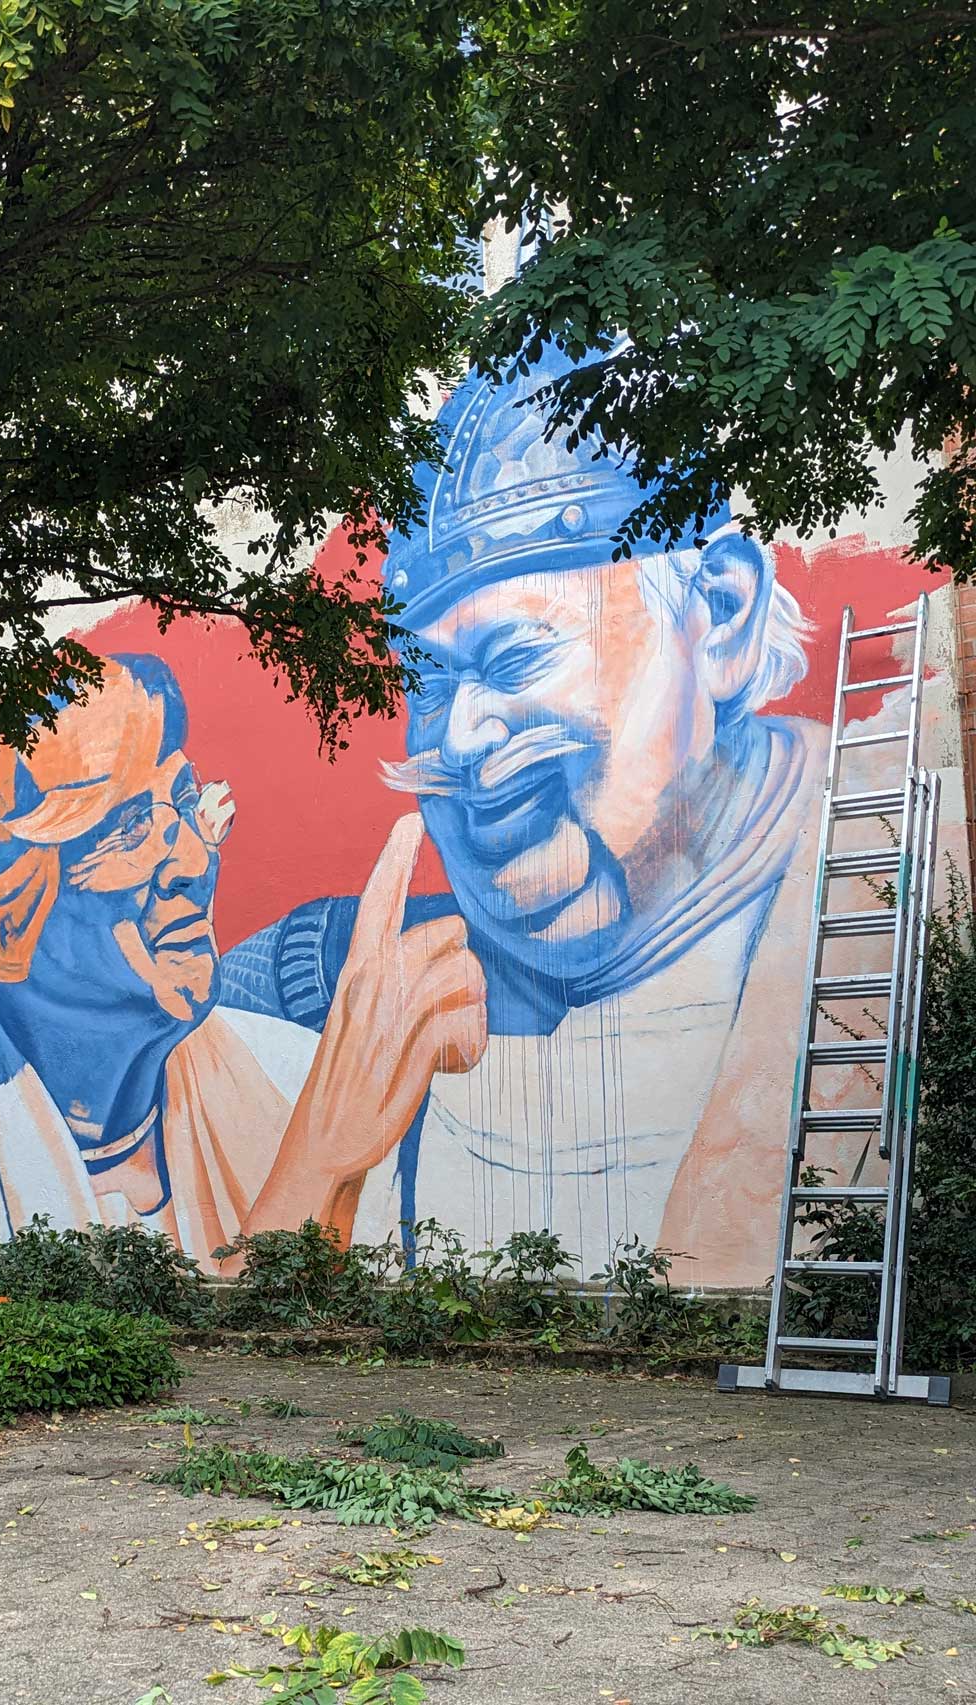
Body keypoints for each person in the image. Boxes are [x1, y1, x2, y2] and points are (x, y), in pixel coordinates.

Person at [218, 345, 834, 1283]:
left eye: (513, 657)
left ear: (720, 616)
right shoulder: (298, 989)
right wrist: (325, 1150)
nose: (462, 735)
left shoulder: (883, 884)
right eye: (429, 686)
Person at [0, 654, 486, 1262]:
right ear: (12, 914)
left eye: (183, 803)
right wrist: (322, 1157)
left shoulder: (288, 1075)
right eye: (130, 827)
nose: (196, 863)